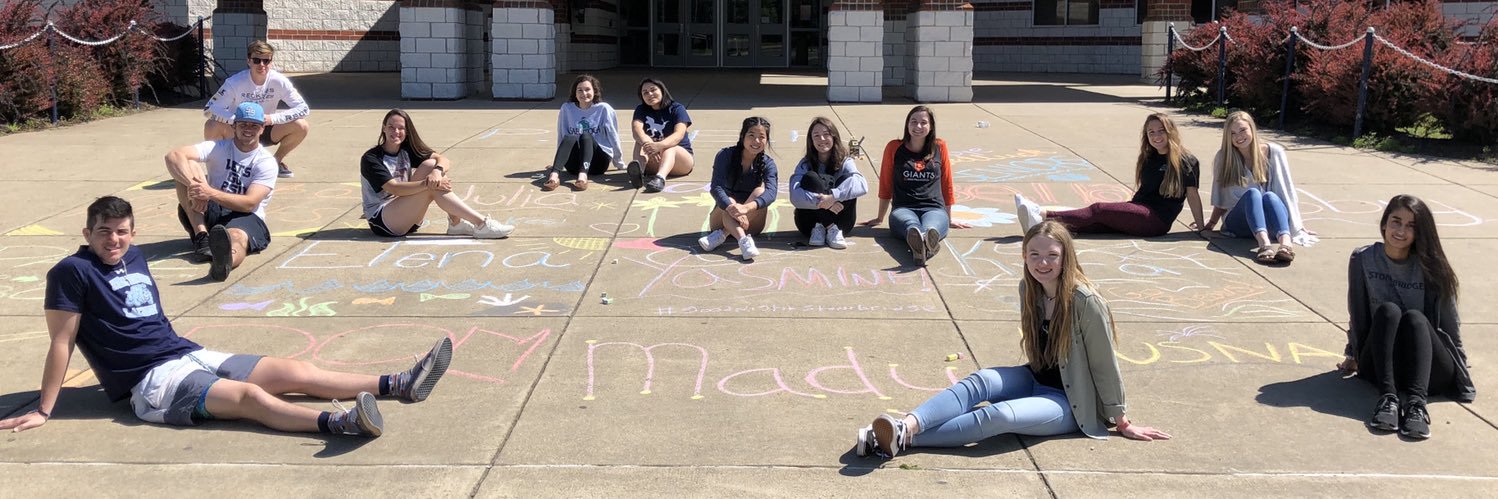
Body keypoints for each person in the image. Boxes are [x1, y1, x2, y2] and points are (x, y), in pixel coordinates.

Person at [0, 196, 452, 437]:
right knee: (249, 399)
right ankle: (340, 423)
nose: (113, 240)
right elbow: (61, 342)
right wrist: (43, 408)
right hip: (150, 384)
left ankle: (398, 383)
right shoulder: (71, 272)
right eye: (104, 233)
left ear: (132, 232)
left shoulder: (133, 257)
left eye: (121, 232)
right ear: (87, 233)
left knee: (293, 370)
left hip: (186, 354)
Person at [855, 220, 1171, 458]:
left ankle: (897, 438)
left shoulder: (1084, 300)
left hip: (1070, 402)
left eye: (1052, 255)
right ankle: (906, 425)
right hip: (1035, 377)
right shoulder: (1029, 290)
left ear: (1066, 258)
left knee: (999, 415)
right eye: (1034, 254)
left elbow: (1104, 363)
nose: (1042, 263)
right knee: (980, 381)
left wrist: (1122, 420)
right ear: (1024, 256)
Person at [1338, 194, 1473, 440]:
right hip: (1382, 363)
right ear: (1384, 224)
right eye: (1396, 221)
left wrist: (1462, 372)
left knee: (1414, 318)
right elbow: (1357, 313)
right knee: (1388, 311)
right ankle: (1388, 400)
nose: (1401, 230)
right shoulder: (1363, 259)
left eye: (1411, 225)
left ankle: (1416, 406)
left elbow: (1451, 325)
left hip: (1426, 367)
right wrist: (1352, 353)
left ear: (1420, 233)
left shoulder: (1431, 265)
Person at [1014, 113, 1204, 236]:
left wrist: (1202, 227)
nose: (1156, 136)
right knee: (1093, 225)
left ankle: (1041, 214)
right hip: (1139, 210)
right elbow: (1143, 193)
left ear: (1171, 132)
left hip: (1156, 221)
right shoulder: (1149, 157)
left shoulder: (1186, 161)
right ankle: (1037, 227)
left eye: (1161, 131)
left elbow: (1193, 195)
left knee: (1098, 209)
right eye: (1151, 132)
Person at [360, 109, 514, 238]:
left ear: (407, 131)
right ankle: (480, 223)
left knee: (431, 164)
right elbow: (394, 188)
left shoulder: (406, 150)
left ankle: (457, 223)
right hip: (383, 220)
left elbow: (443, 159)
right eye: (391, 127)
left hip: (409, 215)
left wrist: (437, 173)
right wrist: (429, 183)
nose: (396, 132)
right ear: (384, 128)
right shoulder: (371, 158)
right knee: (433, 184)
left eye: (401, 128)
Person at [166, 102, 277, 282]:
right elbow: (173, 156)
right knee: (188, 166)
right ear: (234, 126)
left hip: (245, 216)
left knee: (236, 237)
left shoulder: (266, 161)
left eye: (254, 126)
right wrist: (194, 186)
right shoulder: (218, 147)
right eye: (243, 125)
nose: (248, 129)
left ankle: (224, 261)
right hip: (209, 209)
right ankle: (202, 236)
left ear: (262, 129)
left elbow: (250, 203)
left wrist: (209, 193)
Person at [860, 106, 970, 266]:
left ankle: (922, 246)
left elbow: (947, 183)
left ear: (931, 126)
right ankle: (922, 244)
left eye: (923, 123)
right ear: (907, 124)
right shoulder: (894, 147)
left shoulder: (939, 147)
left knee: (931, 227)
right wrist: (880, 217)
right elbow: (885, 182)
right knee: (910, 226)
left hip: (934, 209)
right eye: (914, 122)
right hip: (903, 208)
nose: (918, 127)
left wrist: (948, 217)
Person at [1202, 111, 1316, 264]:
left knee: (1270, 196)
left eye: (1243, 130)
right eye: (1233, 133)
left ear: (1252, 129)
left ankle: (1285, 245)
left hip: (1269, 222)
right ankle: (1264, 245)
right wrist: (1210, 224)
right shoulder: (1224, 157)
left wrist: (1297, 224)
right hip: (1239, 223)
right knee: (1253, 194)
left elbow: (1286, 190)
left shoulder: (1274, 152)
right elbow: (1221, 197)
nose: (1238, 136)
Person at [202, 40, 310, 178]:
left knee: (301, 125)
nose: (262, 65)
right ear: (249, 61)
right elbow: (210, 109)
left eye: (266, 61)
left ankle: (274, 162)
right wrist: (237, 119)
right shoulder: (235, 82)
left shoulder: (279, 81)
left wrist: (272, 119)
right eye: (257, 60)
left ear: (271, 62)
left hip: (265, 128)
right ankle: (219, 169)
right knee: (211, 125)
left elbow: (303, 108)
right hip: (238, 130)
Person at [698, 117, 777, 261]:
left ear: (766, 140)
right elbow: (716, 187)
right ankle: (744, 241)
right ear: (742, 136)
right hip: (721, 218)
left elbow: (771, 193)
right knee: (729, 199)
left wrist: (746, 208)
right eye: (751, 135)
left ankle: (723, 234)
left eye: (761, 137)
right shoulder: (725, 155)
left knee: (760, 191)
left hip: (752, 223)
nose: (756, 141)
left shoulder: (768, 163)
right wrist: (732, 207)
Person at [789, 117, 868, 249]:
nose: (822, 139)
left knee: (848, 179)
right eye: (817, 136)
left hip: (841, 223)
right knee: (811, 178)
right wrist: (827, 204)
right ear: (811, 140)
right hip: (810, 225)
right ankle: (827, 227)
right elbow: (795, 196)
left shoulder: (845, 161)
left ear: (834, 137)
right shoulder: (805, 164)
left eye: (826, 135)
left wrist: (833, 197)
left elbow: (862, 184)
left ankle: (832, 229)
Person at [542, 75, 626, 191]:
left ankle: (582, 176)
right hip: (574, 165)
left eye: (587, 89)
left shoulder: (603, 109)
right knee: (569, 137)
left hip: (597, 163)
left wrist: (619, 162)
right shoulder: (567, 108)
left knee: (586, 136)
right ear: (574, 93)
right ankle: (554, 175)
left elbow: (613, 135)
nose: (583, 93)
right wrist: (559, 162)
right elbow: (562, 136)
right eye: (579, 90)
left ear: (594, 91)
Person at [628, 78, 695, 193]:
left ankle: (660, 178)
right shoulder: (641, 109)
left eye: (653, 90)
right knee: (639, 141)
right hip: (654, 158)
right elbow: (636, 129)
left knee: (670, 148)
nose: (650, 94)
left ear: (662, 90)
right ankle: (640, 173)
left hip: (680, 161)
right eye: (645, 93)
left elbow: (679, 134)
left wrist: (659, 146)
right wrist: (648, 145)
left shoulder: (677, 108)